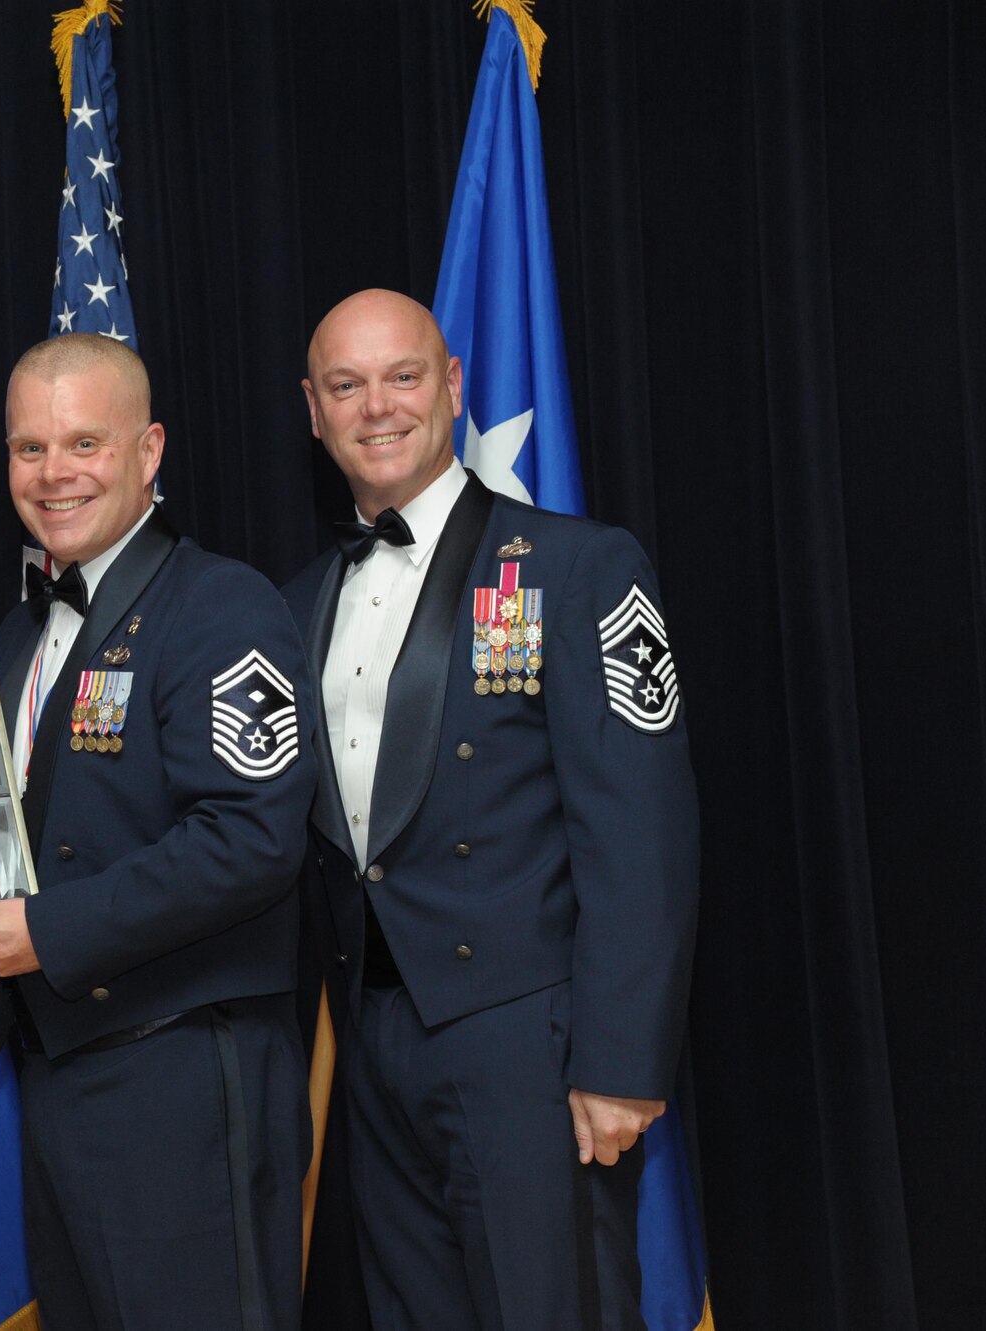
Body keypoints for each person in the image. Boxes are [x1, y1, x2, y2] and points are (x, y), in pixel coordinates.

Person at [280, 289, 699, 1330]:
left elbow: (639, 829)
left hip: (530, 1043)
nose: (376, 406)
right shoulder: (296, 602)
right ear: (312, 410)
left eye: (402, 375)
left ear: (452, 384)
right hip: (372, 1036)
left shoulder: (577, 565)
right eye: (345, 384)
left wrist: (619, 1058)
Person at [0, 333, 316, 1330]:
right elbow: (26, 821)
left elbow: (248, 837)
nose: (51, 473)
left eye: (82, 443)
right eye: (27, 448)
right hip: (63, 1065)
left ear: (147, 451)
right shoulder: (21, 631)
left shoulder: (219, 605)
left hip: (181, 1072)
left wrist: (48, 932)